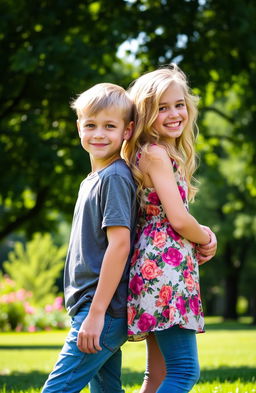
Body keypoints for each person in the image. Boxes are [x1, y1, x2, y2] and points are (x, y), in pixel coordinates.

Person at [122, 64, 217, 393]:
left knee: (158, 374)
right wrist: (206, 237)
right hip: (166, 270)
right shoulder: (157, 154)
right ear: (147, 113)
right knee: (184, 371)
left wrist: (199, 232)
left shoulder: (147, 153)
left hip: (155, 266)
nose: (174, 113)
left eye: (179, 104)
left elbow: (165, 215)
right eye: (163, 108)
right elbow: (177, 219)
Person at [41, 82, 137, 393]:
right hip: (92, 307)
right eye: (91, 125)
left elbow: (120, 245)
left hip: (102, 309)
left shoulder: (115, 178)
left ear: (127, 130)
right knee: (106, 390)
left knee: (56, 389)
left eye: (110, 126)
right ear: (78, 127)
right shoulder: (93, 179)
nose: (98, 134)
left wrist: (95, 315)